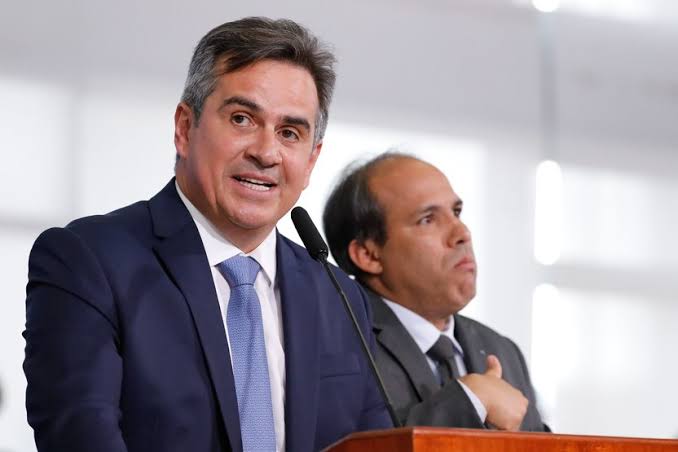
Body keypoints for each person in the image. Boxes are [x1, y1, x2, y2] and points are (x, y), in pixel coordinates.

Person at [23, 17, 391, 452]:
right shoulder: (89, 261)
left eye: (289, 133)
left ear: (311, 161)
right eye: (242, 119)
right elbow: (80, 435)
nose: (266, 152)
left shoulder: (339, 296)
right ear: (185, 128)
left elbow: (377, 442)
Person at [323, 152, 548, 431]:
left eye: (456, 212)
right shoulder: (339, 345)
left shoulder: (501, 349)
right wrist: (471, 401)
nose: (462, 233)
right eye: (428, 219)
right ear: (368, 254)